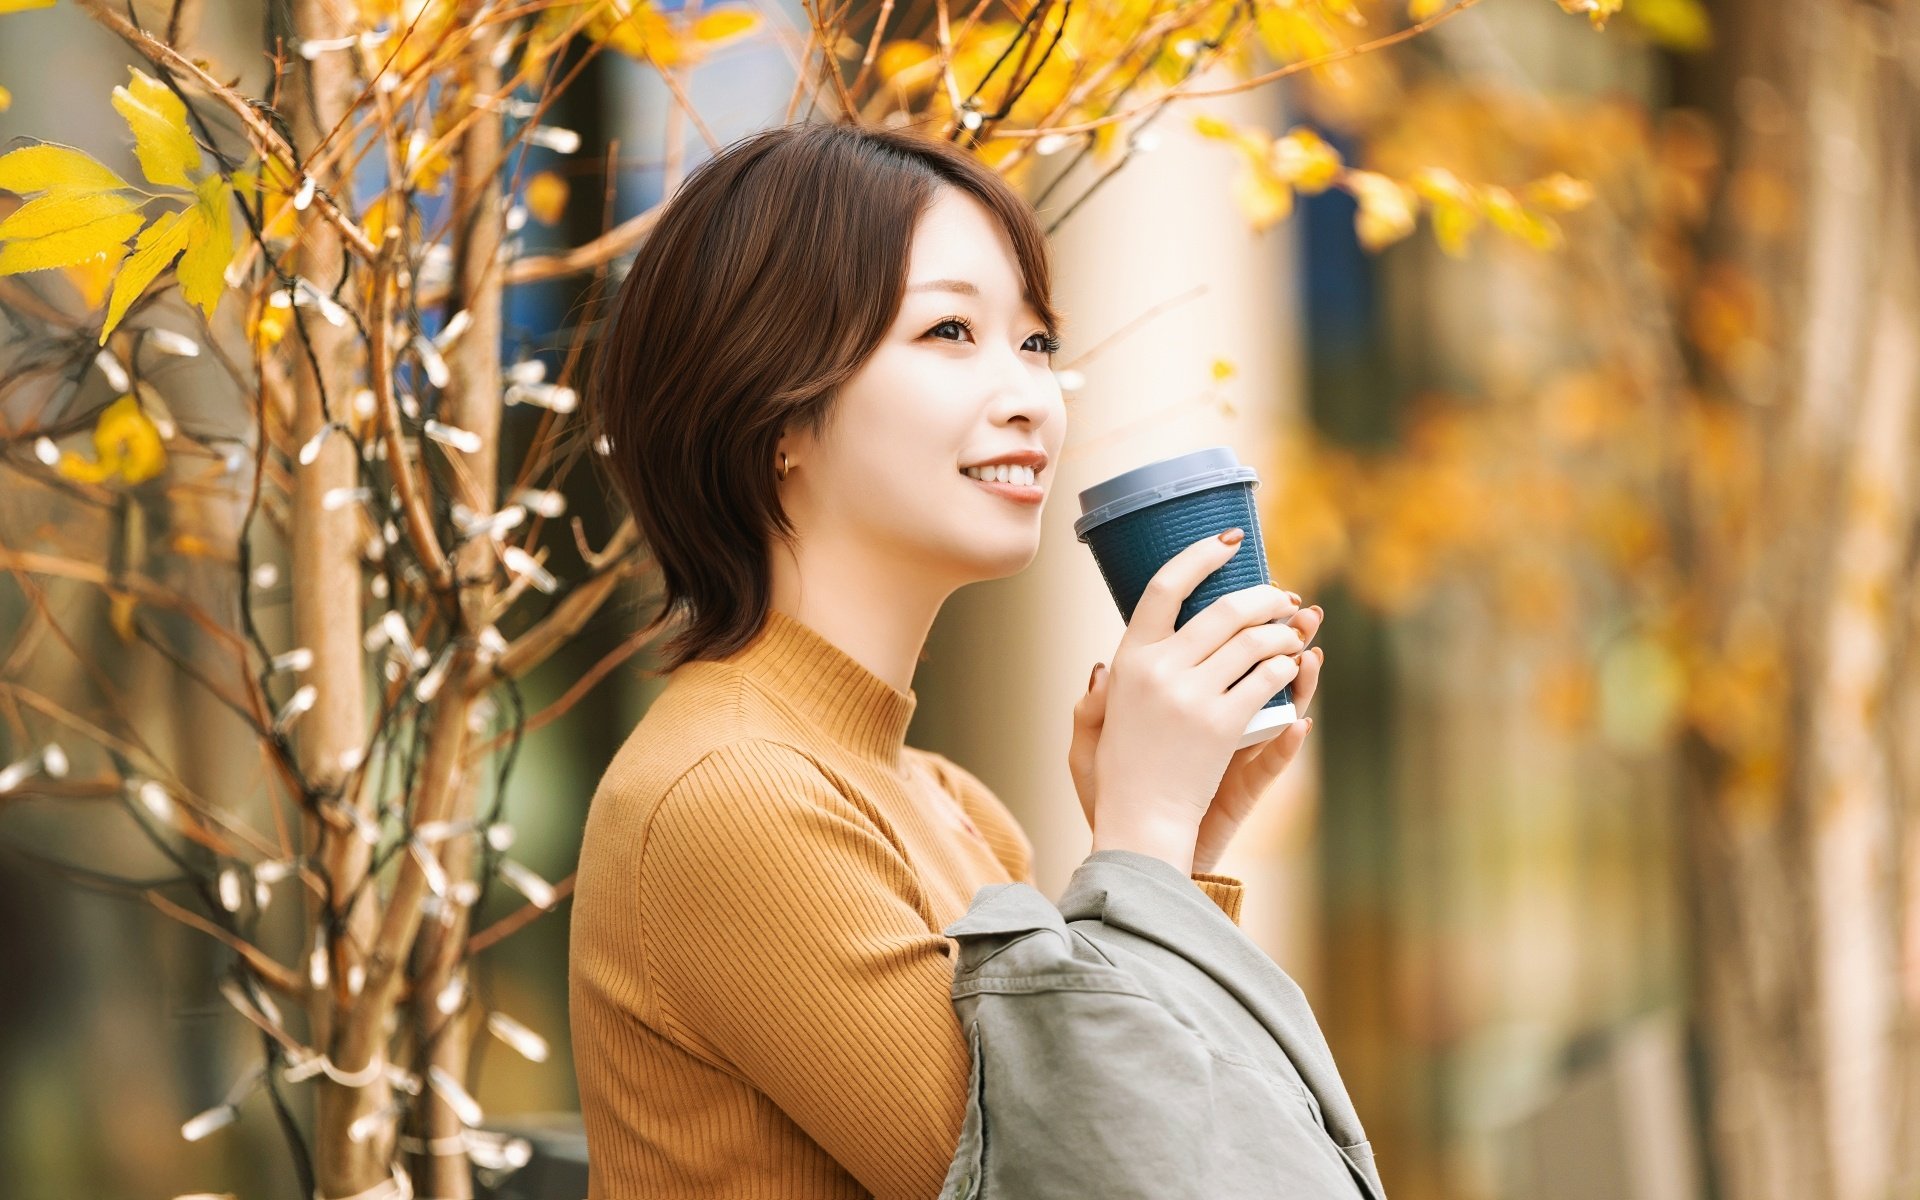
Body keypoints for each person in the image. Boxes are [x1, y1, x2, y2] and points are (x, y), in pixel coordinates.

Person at [570, 118, 1325, 1200]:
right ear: (775, 413)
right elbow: (1066, 1182)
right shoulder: (729, 796)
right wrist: (1141, 842)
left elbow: (1191, 1157)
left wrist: (1183, 848)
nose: (1030, 397)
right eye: (949, 332)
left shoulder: (951, 804)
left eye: (1035, 344)